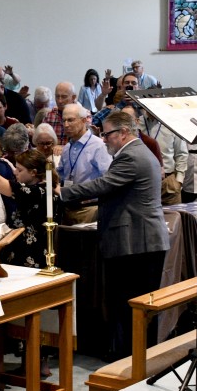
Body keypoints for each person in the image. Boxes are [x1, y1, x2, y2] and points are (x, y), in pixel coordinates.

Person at [58, 110, 169, 360]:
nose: (104, 139)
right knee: (135, 306)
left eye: (107, 134)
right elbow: (110, 190)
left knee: (132, 305)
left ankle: (133, 361)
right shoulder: (137, 153)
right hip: (140, 240)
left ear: (123, 133)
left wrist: (63, 193)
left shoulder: (130, 156)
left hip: (136, 243)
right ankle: (135, 357)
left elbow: (103, 184)